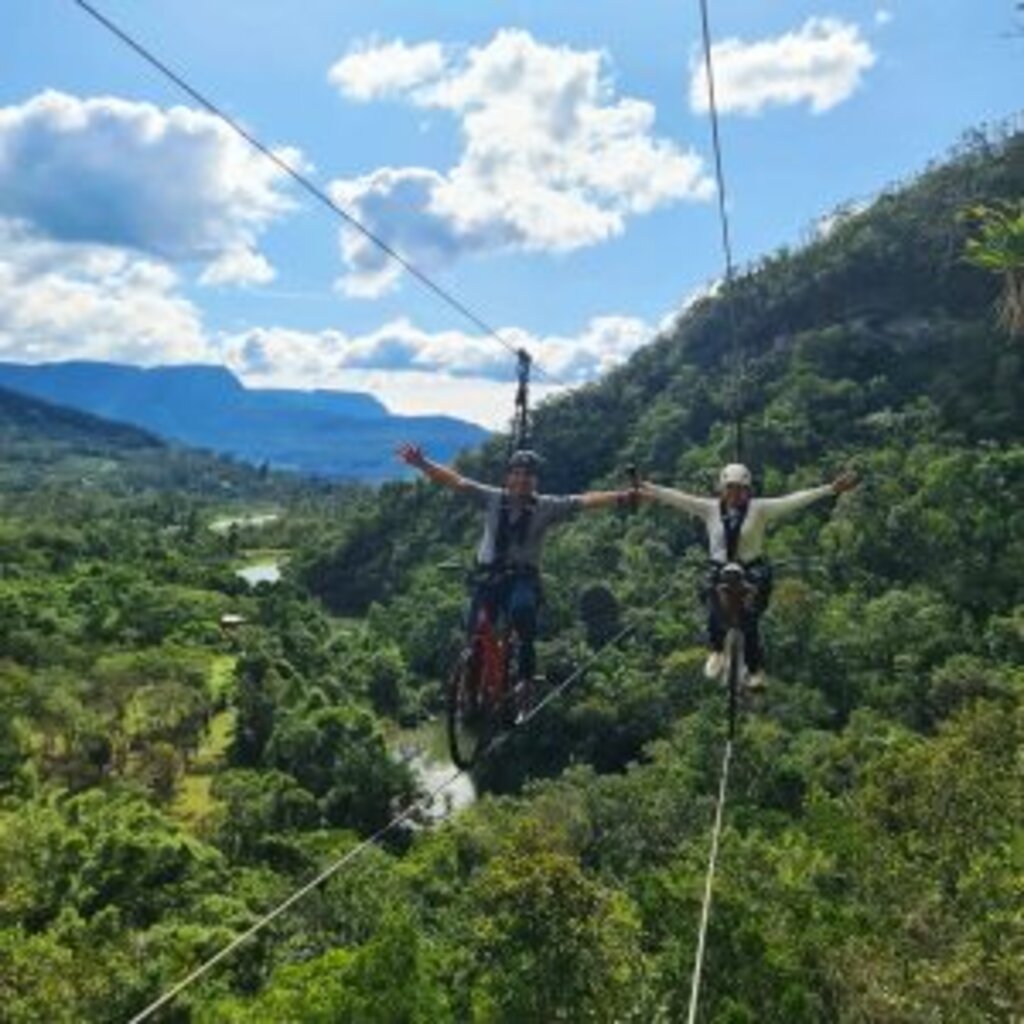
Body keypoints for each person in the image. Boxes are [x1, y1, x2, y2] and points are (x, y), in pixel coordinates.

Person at [397, 443, 633, 711]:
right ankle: (471, 694)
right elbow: (457, 482)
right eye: (517, 474)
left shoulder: (546, 506)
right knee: (475, 635)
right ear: (508, 477)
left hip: (522, 578)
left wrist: (623, 496)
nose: (522, 480)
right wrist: (422, 464)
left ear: (535, 481)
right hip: (488, 577)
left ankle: (525, 680)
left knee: (522, 612)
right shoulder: (493, 498)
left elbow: (586, 500)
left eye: (528, 475)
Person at [642, 463, 858, 690]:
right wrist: (647, 487)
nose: (735, 494)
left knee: (751, 614)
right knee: (711, 594)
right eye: (730, 488)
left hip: (751, 568)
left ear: (748, 490)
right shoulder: (709, 508)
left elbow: (793, 501)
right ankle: (716, 650)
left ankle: (755, 669)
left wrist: (830, 489)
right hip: (719, 567)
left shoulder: (760, 509)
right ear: (722, 489)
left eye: (740, 489)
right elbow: (678, 498)